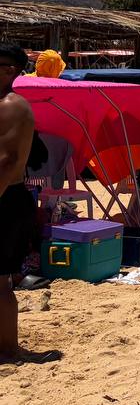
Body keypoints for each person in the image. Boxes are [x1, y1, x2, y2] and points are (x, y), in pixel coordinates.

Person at [0, 43, 58, 365]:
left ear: (11, 70)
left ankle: (9, 349)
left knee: (1, 281)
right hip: (8, 196)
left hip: (6, 197)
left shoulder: (13, 105)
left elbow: (8, 164)